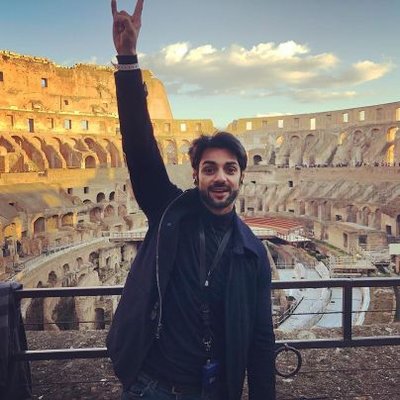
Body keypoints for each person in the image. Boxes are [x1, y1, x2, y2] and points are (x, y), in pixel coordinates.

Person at [106, 1, 276, 399]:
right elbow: (141, 149)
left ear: (241, 177)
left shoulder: (252, 253)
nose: (220, 178)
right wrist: (128, 61)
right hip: (150, 385)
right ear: (196, 174)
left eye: (230, 169)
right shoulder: (169, 211)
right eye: (210, 168)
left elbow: (261, 339)